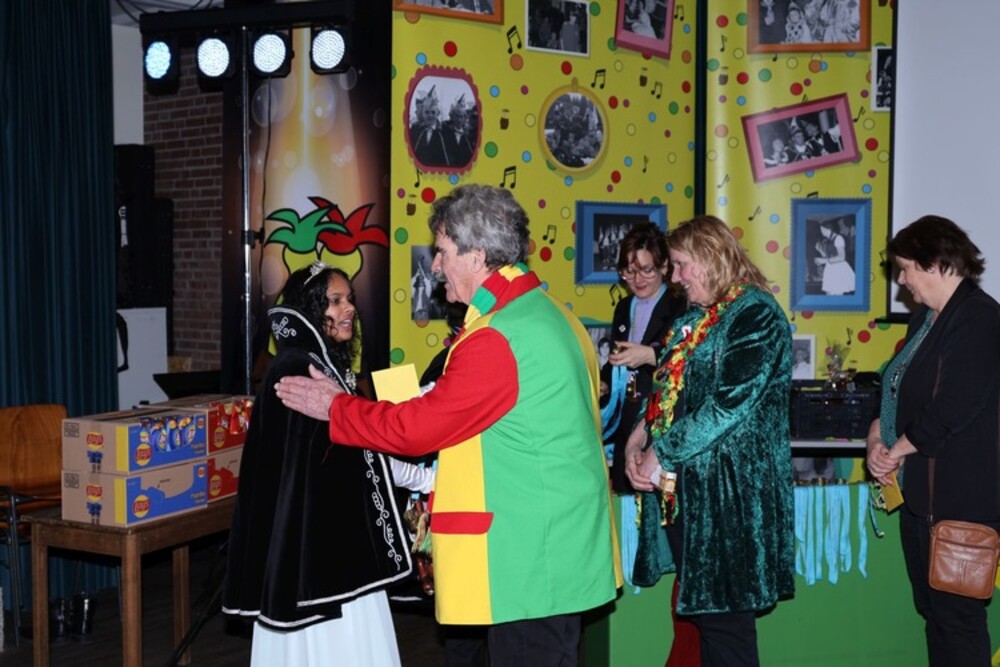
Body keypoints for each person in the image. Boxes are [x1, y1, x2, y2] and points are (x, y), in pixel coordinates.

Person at [274, 184, 622, 665]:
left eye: (442, 251)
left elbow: (418, 429)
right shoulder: (553, 315)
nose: (434, 266)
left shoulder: (499, 334)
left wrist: (336, 407)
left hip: (527, 558)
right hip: (559, 548)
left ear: (476, 256)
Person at [222, 262, 419, 666]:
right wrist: (414, 474)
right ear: (312, 307)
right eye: (335, 300)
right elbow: (321, 462)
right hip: (314, 550)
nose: (349, 308)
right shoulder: (299, 368)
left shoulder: (319, 364)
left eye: (350, 299)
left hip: (332, 540)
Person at [624, 216, 795, 667]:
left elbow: (727, 405)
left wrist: (660, 451)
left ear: (712, 258)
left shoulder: (756, 314)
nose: (676, 278)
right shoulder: (695, 317)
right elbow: (666, 387)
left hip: (732, 498)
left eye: (682, 265)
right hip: (690, 494)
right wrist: (638, 437)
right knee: (707, 622)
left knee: (727, 629)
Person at [866, 215, 1000, 667]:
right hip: (921, 503)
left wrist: (896, 450)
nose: (901, 281)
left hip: (962, 505)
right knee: (935, 617)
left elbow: (952, 408)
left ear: (936, 263)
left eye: (905, 269)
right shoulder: (924, 320)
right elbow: (893, 389)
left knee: (958, 622)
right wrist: (877, 440)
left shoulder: (980, 318)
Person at [604, 222, 686, 493]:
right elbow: (617, 359)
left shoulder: (681, 307)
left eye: (646, 270)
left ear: (664, 267)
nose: (637, 279)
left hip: (662, 423)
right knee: (625, 502)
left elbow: (688, 361)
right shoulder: (623, 307)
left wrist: (651, 356)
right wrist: (603, 382)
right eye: (629, 271)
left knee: (661, 501)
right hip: (625, 422)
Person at [410, 86, 450, 167]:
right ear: (423, 114)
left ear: (437, 114)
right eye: (427, 112)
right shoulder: (416, 131)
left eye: (433, 112)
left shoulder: (444, 132)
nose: (430, 115)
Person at [814, 219, 855, 295]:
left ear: (829, 229)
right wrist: (820, 251)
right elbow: (829, 257)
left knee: (836, 294)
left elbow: (842, 257)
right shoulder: (829, 240)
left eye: (822, 230)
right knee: (830, 294)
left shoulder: (839, 238)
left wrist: (823, 261)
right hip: (831, 269)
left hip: (839, 269)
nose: (822, 232)